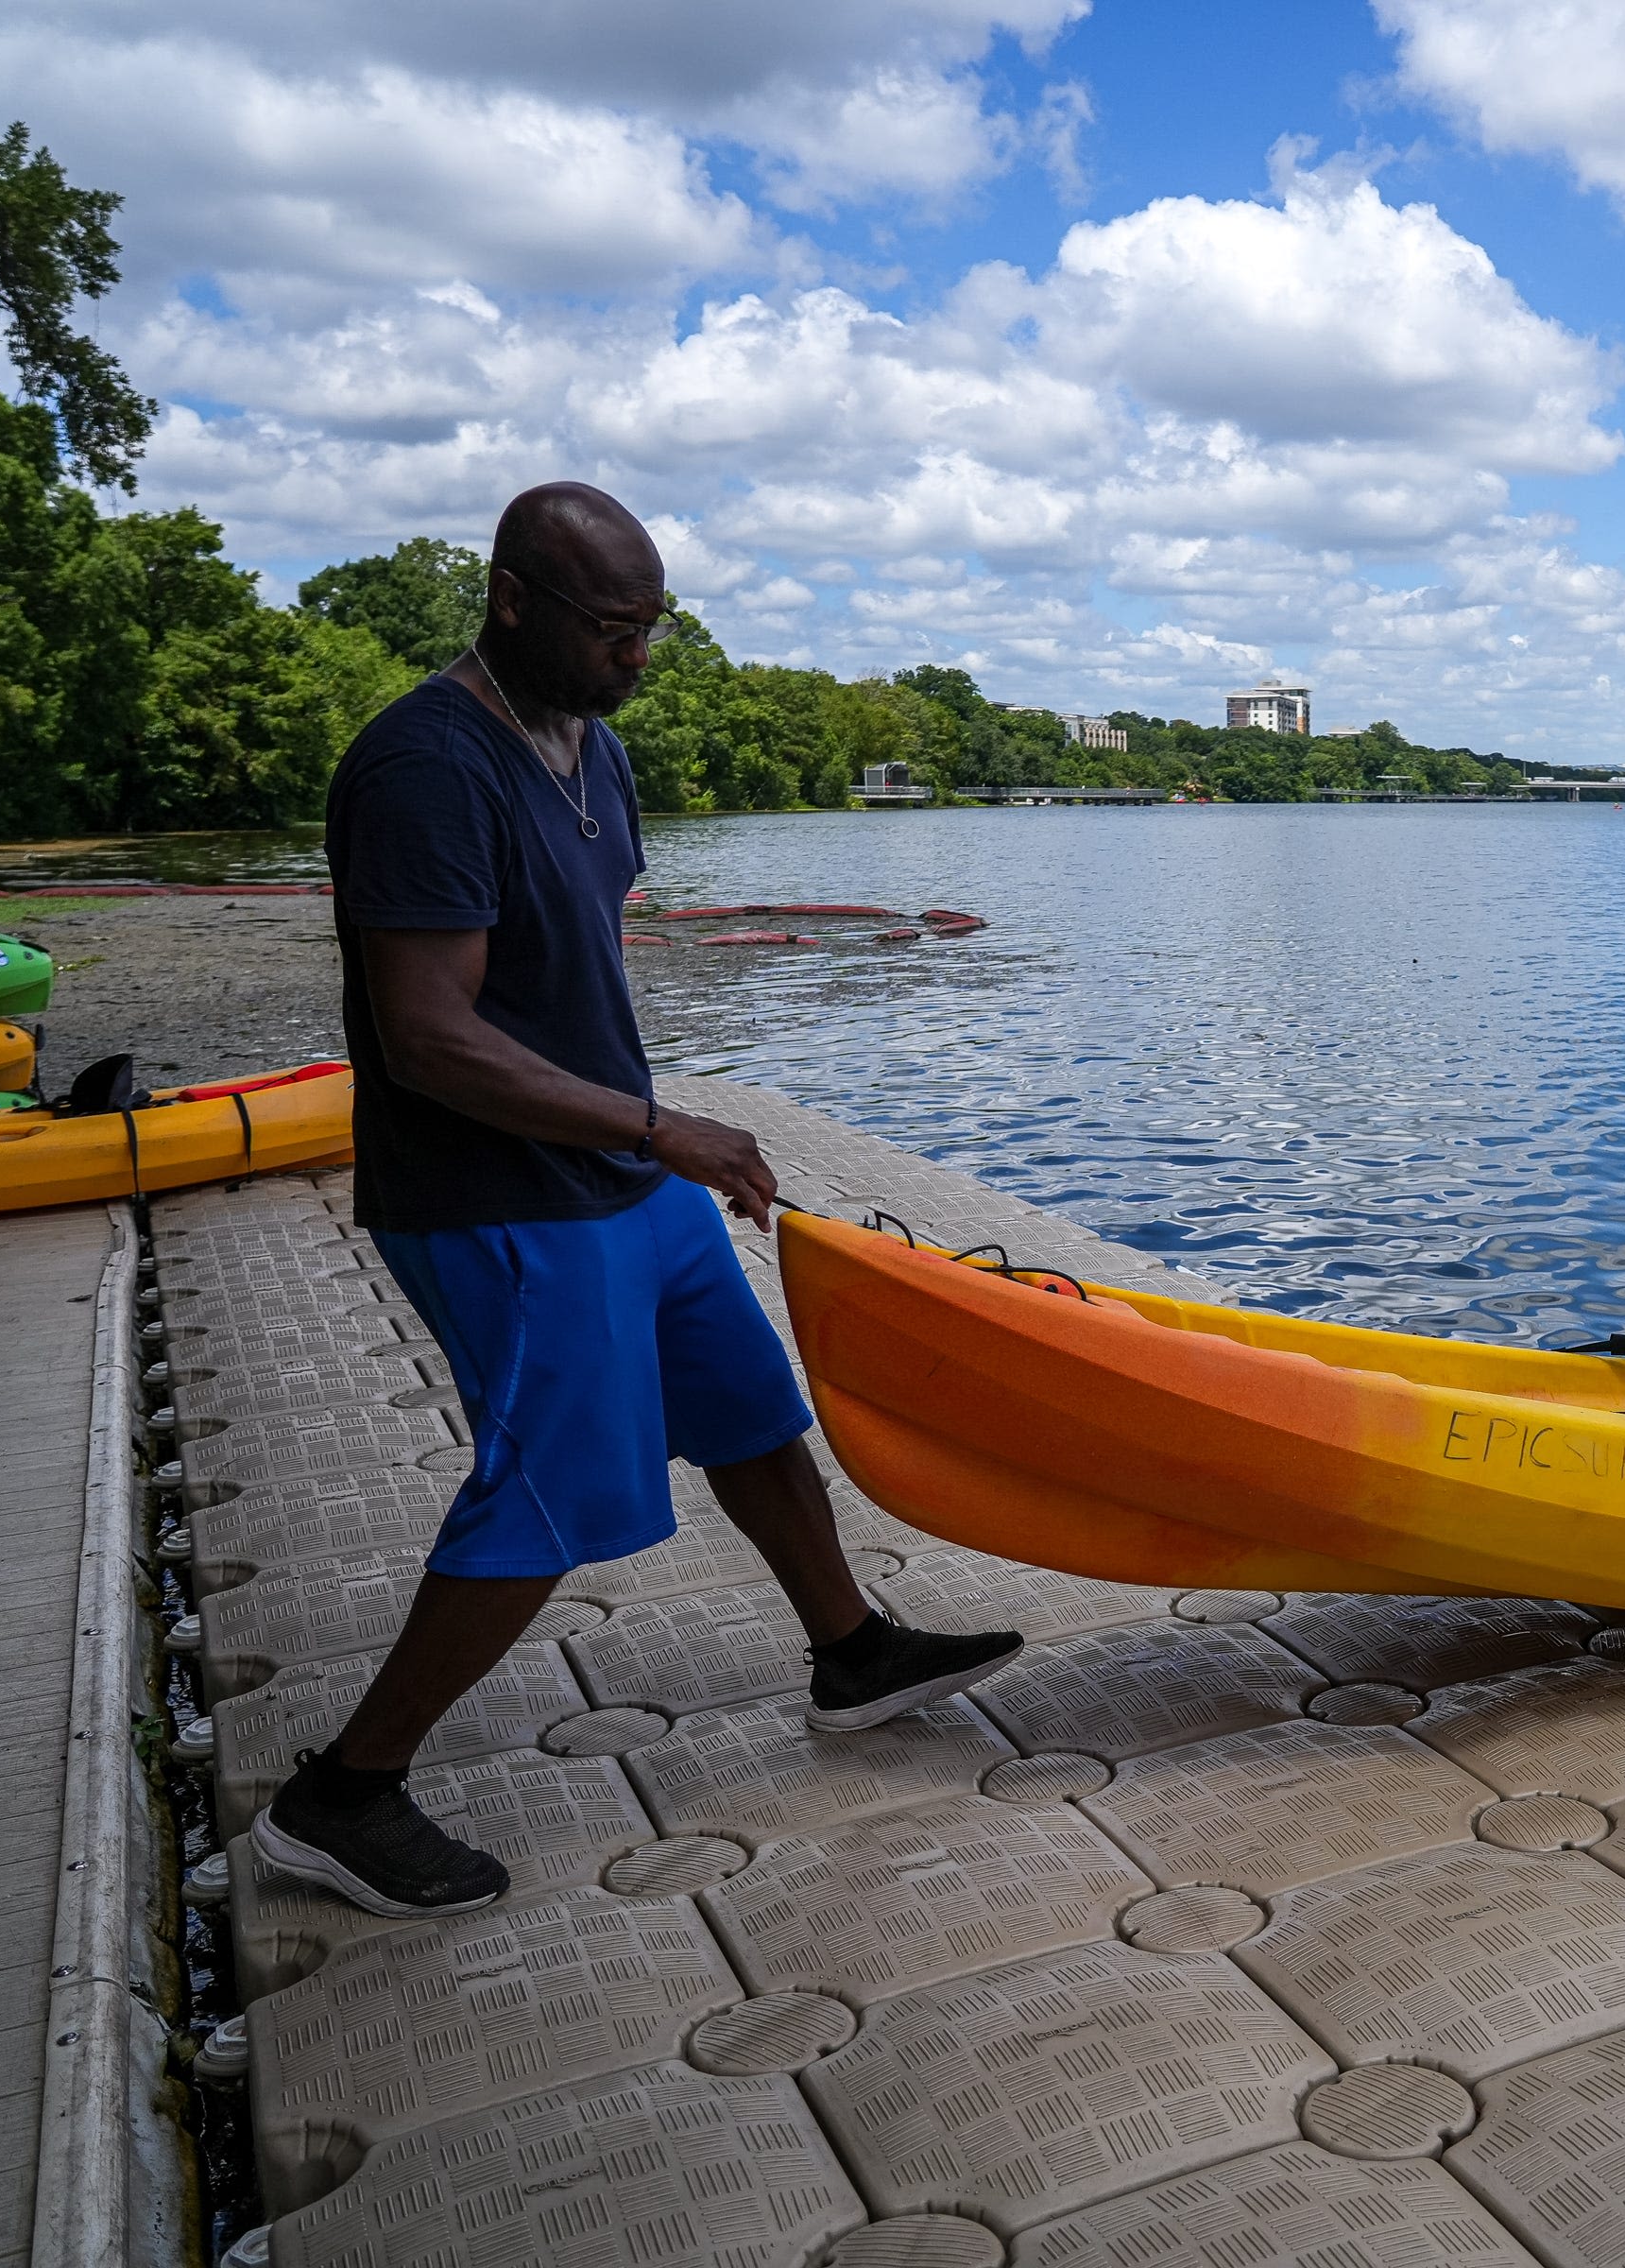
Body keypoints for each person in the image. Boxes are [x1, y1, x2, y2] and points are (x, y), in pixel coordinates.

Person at [253, 481, 1020, 1919]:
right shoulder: (426, 766)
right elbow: (427, 1034)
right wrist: (663, 1127)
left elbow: (576, 969)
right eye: (611, 628)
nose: (636, 656)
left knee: (747, 1407)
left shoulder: (595, 753)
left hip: (615, 1175)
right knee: (554, 1493)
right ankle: (341, 1796)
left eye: (651, 627)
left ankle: (849, 1649)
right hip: (497, 1195)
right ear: (512, 599)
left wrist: (646, 1136)